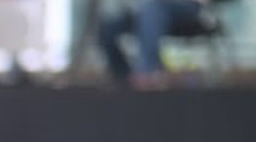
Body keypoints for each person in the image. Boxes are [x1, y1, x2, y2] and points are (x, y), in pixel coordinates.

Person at [98, 0, 234, 86]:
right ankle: (126, 80)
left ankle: (147, 74)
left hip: (188, 7)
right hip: (142, 8)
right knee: (107, 30)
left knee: (152, 8)